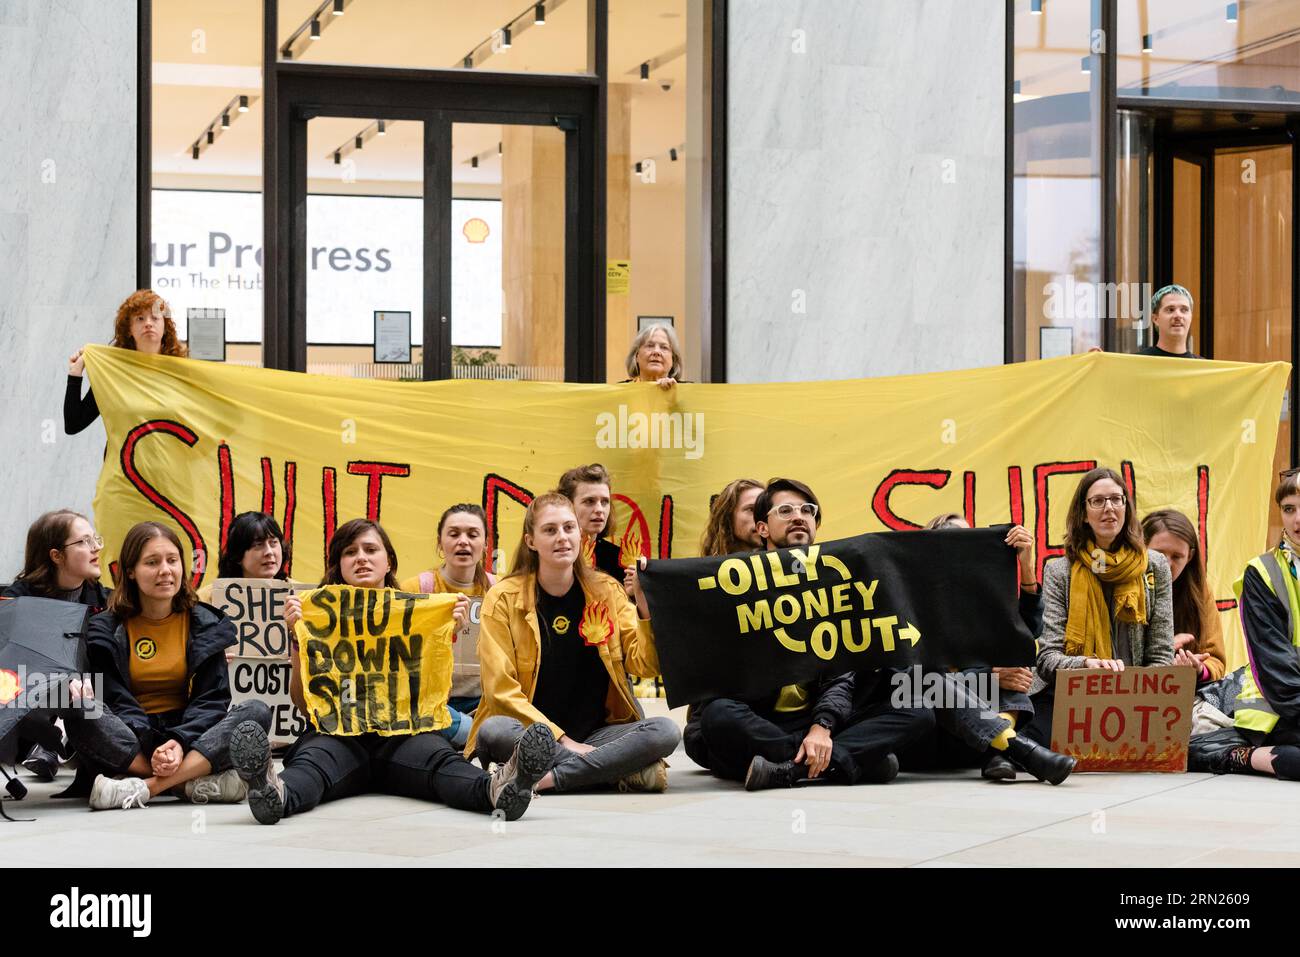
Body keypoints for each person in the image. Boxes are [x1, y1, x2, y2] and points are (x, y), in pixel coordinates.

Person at [232, 518, 553, 824]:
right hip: (338, 736)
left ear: (389, 562)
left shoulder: (420, 613)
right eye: (350, 552)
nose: (361, 558)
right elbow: (304, 705)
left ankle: (497, 791)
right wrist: (298, 640)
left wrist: (444, 633)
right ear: (338, 565)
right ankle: (275, 793)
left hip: (403, 739)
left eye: (370, 550)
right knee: (312, 765)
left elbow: (430, 692)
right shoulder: (313, 615)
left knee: (442, 763)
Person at [694, 478, 934, 790]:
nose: (798, 515)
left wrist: (822, 727)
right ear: (763, 528)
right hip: (763, 718)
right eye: (785, 510)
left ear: (815, 525)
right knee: (718, 715)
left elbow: (840, 676)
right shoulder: (738, 584)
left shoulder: (835, 581)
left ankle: (787, 770)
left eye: (807, 510)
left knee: (917, 711)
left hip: (819, 716)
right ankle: (843, 761)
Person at [468, 492, 680, 793]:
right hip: (531, 733)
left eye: (569, 528)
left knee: (665, 731)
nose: (562, 538)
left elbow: (644, 665)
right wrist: (566, 743)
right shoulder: (503, 598)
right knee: (494, 730)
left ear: (580, 535)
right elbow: (499, 691)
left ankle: (546, 779)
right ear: (531, 541)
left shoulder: (607, 590)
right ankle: (609, 770)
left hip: (595, 735)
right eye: (550, 530)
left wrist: (645, 608)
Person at [81, 521, 273, 810]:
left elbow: (212, 700)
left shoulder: (208, 623)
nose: (165, 571)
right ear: (130, 571)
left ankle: (145, 787)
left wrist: (179, 743)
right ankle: (190, 782)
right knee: (78, 708)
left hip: (190, 731)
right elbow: (114, 698)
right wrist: (153, 746)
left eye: (172, 561)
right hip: (132, 733)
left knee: (256, 711)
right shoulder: (104, 629)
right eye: (152, 562)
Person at [901, 514, 1075, 785]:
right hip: (931, 735)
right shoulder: (910, 601)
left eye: (972, 542)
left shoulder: (979, 599)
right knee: (927, 673)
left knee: (1014, 658)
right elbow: (909, 682)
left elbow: (1026, 632)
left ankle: (1001, 748)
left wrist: (1026, 566)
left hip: (974, 739)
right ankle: (1013, 748)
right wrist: (988, 679)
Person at [1023, 467, 1174, 745]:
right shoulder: (1060, 570)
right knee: (1035, 744)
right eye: (1098, 501)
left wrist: (1137, 698)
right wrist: (1087, 666)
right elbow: (1047, 660)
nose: (1109, 508)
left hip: (1136, 697)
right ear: (1083, 513)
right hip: (1072, 694)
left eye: (1117, 499)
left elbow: (1161, 655)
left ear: (1127, 507)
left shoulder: (1154, 565)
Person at [1190, 470, 1300, 779]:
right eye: (1289, 509)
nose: (1296, 520)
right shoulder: (1262, 572)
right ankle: (1247, 756)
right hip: (1278, 710)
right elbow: (1276, 668)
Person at [3, 510, 111, 780]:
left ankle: (59, 740)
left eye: (95, 539)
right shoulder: (16, 602)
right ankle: (51, 740)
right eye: (84, 542)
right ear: (56, 555)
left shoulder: (107, 601)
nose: (96, 547)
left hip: (94, 701)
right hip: (30, 708)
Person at [681, 478, 765, 769]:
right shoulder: (702, 581)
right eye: (752, 510)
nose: (761, 517)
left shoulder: (792, 570)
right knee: (712, 725)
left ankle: (788, 764)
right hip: (725, 712)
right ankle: (825, 759)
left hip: (776, 715)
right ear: (728, 519)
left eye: (766, 509)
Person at [400, 504, 495, 747]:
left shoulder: (501, 592)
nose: (463, 541)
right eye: (454, 534)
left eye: (473, 535)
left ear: (485, 544)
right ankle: (476, 735)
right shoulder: (415, 589)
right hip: (434, 703)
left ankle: (472, 733)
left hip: (484, 704)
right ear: (440, 543)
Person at [65, 290, 187, 435]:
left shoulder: (181, 372)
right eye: (140, 318)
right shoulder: (112, 373)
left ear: (165, 327)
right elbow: (73, 424)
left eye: (155, 318)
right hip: (124, 457)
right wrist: (75, 375)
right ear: (129, 329)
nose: (148, 323)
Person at [1142, 509, 1227, 683]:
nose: (1166, 564)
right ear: (1141, 550)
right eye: (1158, 554)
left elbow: (1216, 660)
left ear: (1190, 556)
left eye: (1177, 556)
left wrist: (1198, 668)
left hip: (1182, 693)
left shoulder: (1199, 591)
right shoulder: (1125, 590)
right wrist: (1163, 651)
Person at [196, 511, 292, 604]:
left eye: (273, 543)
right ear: (237, 555)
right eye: (258, 544)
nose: (269, 552)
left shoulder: (299, 595)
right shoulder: (206, 599)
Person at [557, 463, 625, 583]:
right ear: (567, 505)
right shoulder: (550, 555)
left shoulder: (620, 560)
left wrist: (633, 594)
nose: (599, 509)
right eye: (589, 501)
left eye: (604, 501)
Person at [1137, 284, 1204, 359]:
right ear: (1155, 319)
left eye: (1184, 310)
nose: (1178, 315)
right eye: (1170, 309)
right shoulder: (1136, 362)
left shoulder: (1204, 367)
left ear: (1190, 317)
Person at [623, 322, 683, 390]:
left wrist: (674, 395)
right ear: (636, 356)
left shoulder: (686, 393)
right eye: (650, 346)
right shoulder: (620, 392)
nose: (656, 351)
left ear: (673, 359)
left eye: (664, 347)